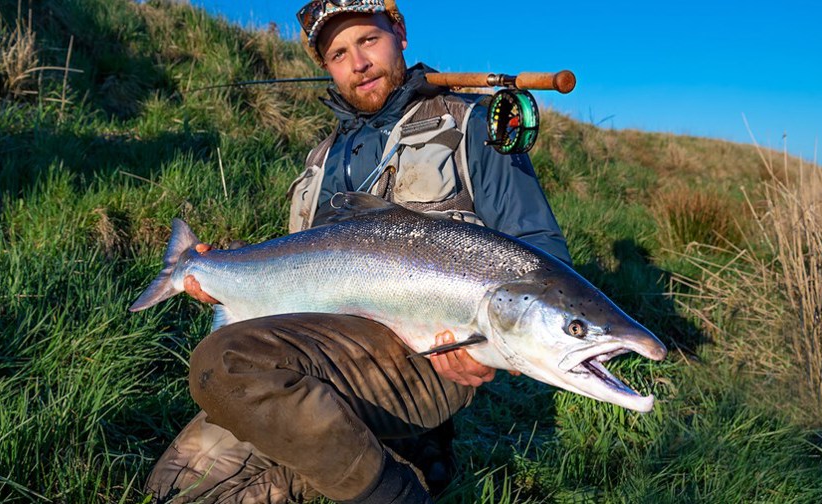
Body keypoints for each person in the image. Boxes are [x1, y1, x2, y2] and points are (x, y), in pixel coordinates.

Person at [145, 1, 571, 503]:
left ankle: (395, 488)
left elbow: (541, 258)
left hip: (429, 359)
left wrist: (497, 342)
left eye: (369, 40)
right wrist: (222, 275)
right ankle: (403, 454)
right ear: (327, 66)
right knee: (175, 487)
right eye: (339, 54)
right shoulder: (321, 158)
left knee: (225, 363)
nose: (359, 63)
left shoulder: (471, 123)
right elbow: (300, 264)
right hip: (324, 349)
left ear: (400, 33)